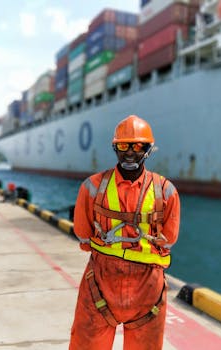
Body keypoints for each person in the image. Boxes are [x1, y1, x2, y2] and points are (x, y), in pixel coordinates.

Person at [69, 115, 180, 350]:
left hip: (100, 284)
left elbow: (83, 236)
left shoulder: (92, 187)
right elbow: (168, 241)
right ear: (115, 147)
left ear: (148, 149)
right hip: (146, 288)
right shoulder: (166, 190)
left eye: (138, 146)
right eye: (123, 146)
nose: (130, 153)